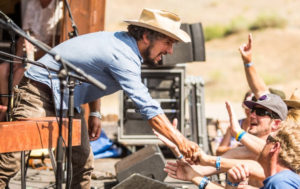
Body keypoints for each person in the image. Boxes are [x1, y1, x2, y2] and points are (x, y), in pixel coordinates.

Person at [0, 8, 199, 188]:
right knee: (11, 161)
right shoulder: (123, 54)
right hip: (38, 92)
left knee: (83, 165)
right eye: (168, 42)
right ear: (146, 36)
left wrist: (95, 112)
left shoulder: (121, 45)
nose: (170, 51)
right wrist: (181, 141)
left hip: (68, 100)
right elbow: (148, 107)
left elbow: (92, 73)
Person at [156, 93, 288, 188]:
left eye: (260, 112)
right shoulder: (240, 152)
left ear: (276, 124)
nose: (251, 114)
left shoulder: (285, 157)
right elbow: (199, 169)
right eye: (252, 110)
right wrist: (178, 146)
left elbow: (258, 164)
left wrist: (239, 134)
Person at [0, 0, 62, 121]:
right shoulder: (32, 4)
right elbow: (24, 34)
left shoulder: (58, 9)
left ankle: (11, 109)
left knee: (21, 72)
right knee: (3, 69)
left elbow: (55, 43)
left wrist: (31, 56)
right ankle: (7, 104)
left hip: (45, 54)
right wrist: (17, 58)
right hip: (26, 51)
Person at [227, 121, 300, 188]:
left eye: (268, 139)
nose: (264, 143)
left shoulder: (280, 182)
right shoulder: (280, 181)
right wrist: (233, 183)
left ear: (274, 147)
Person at [216, 91, 253, 155]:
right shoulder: (234, 126)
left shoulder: (260, 128)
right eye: (246, 107)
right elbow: (219, 151)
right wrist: (236, 149)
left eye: (252, 108)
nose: (249, 111)